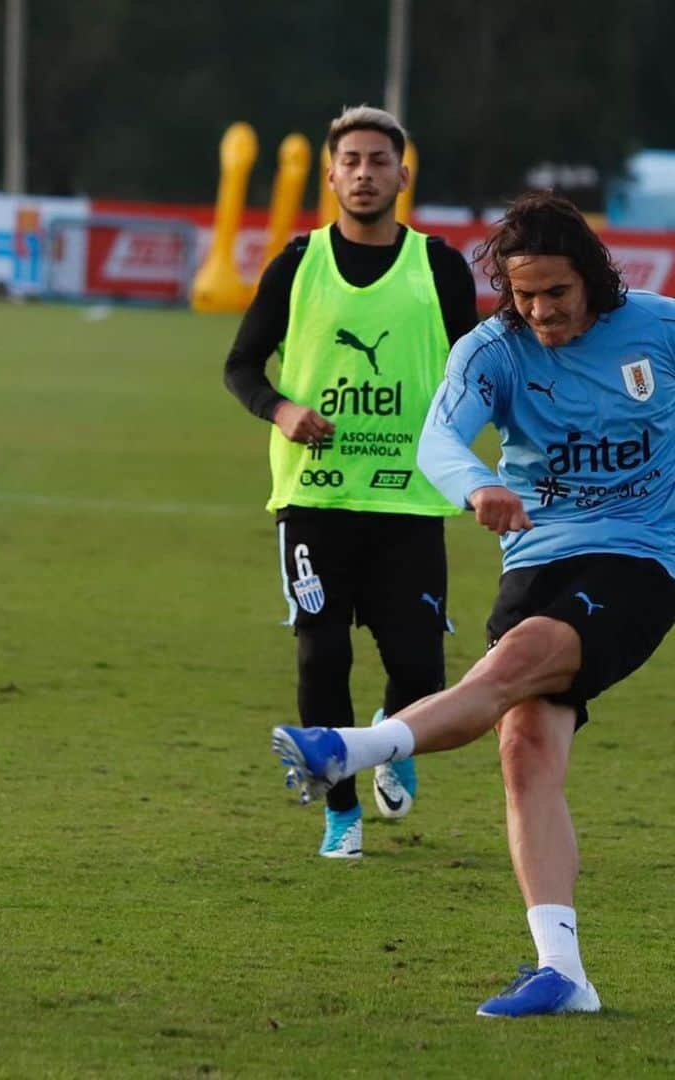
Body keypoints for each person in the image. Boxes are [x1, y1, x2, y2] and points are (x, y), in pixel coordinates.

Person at [271, 190, 675, 1016]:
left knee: (521, 656)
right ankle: (563, 971)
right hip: (536, 556)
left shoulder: (659, 329)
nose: (540, 310)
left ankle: (352, 748)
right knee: (523, 745)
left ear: (594, 278)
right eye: (523, 295)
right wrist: (481, 484)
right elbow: (436, 441)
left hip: (642, 555)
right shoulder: (493, 349)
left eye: (556, 293)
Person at [225, 105, 477, 857]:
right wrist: (281, 409)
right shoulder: (297, 263)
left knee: (418, 670)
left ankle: (389, 747)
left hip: (408, 499)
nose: (364, 173)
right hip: (315, 498)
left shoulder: (437, 266)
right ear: (330, 176)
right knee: (320, 653)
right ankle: (341, 811)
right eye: (351, 161)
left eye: (379, 160)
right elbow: (241, 366)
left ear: (403, 174)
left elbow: (477, 368)